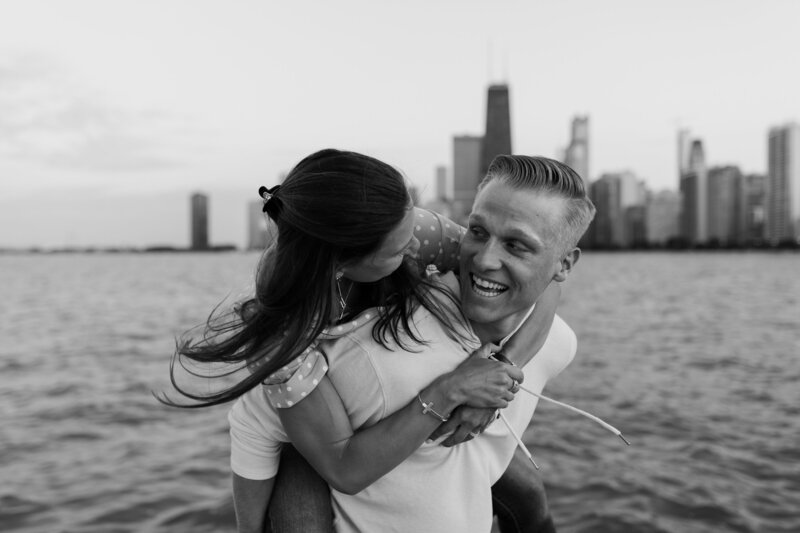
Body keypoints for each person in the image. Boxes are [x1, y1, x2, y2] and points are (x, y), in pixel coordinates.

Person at [163, 149, 560, 531]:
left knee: (527, 496)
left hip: (397, 416)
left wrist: (503, 368)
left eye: (411, 228)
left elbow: (544, 277)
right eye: (397, 250)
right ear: (341, 263)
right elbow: (342, 465)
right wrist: (452, 390)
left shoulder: (407, 226)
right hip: (297, 441)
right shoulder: (285, 330)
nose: (415, 247)